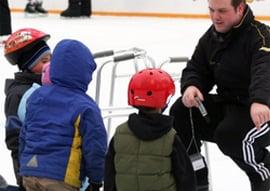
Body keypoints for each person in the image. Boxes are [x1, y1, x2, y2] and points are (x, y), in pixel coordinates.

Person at [169, 0, 270, 190]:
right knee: (182, 112)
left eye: (222, 11)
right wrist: (192, 86)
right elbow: (196, 67)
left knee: (231, 136)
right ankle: (197, 176)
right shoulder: (213, 36)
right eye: (211, 10)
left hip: (262, 111)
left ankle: (264, 172)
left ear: (240, 8)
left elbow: (264, 71)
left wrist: (260, 100)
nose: (215, 16)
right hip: (230, 105)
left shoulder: (262, 37)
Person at [19, 39, 107, 191]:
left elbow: (24, 135)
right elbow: (95, 147)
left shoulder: (36, 97)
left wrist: (25, 165)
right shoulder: (86, 107)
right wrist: (96, 179)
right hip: (61, 178)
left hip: (30, 173)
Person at [104, 68, 196, 191]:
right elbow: (185, 177)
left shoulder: (120, 134)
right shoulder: (170, 137)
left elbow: (109, 175)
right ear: (164, 101)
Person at [4, 28, 51, 190]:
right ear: (28, 65)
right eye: (44, 61)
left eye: (51, 59)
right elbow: (15, 140)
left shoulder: (48, 85)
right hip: (32, 173)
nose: (50, 65)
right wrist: (22, 177)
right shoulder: (18, 95)